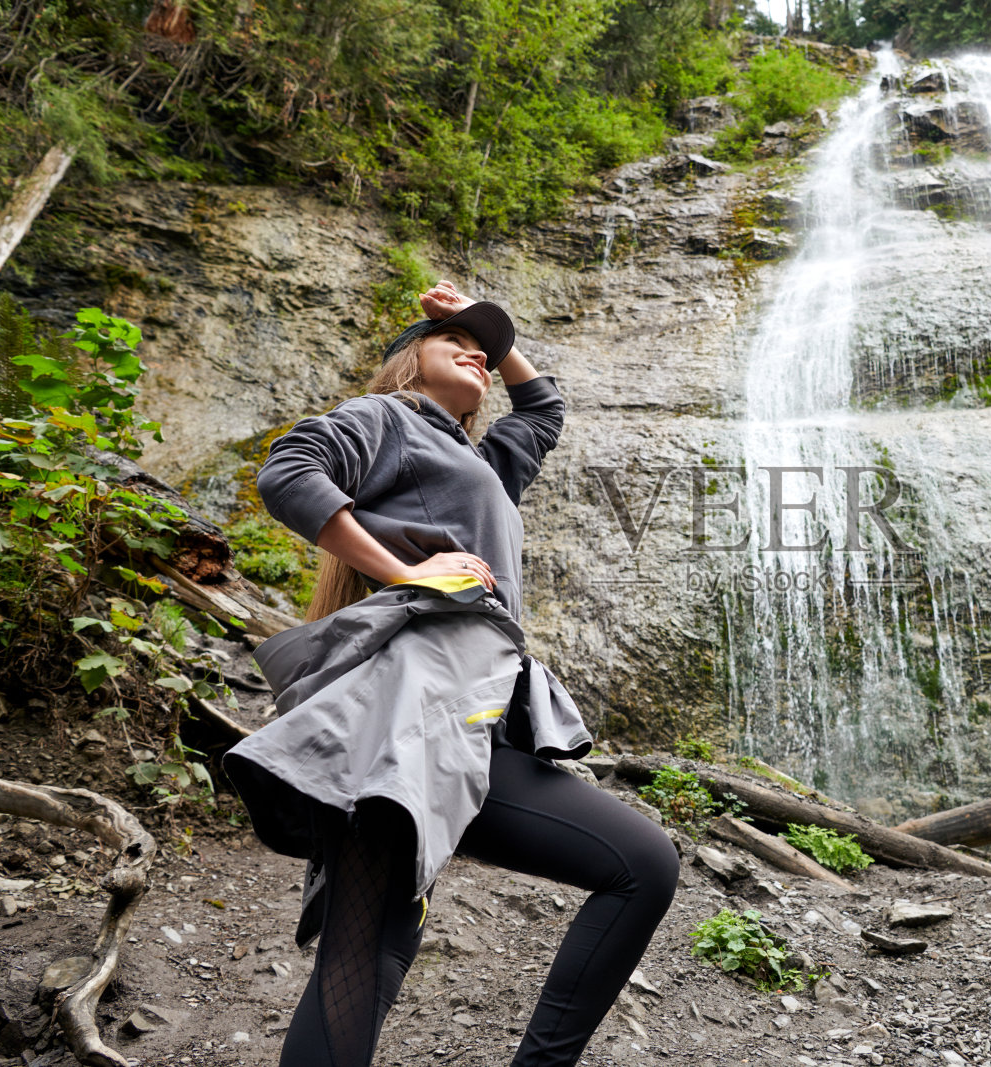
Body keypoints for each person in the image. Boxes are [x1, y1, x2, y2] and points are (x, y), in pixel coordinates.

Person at [222, 280, 679, 1067]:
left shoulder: (481, 461)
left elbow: (542, 412)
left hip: (471, 720)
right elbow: (290, 470)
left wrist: (485, 332)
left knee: (373, 955)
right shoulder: (388, 418)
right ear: (406, 363)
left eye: (486, 348)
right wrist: (404, 572)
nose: (478, 351)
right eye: (451, 341)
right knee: (363, 961)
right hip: (413, 721)